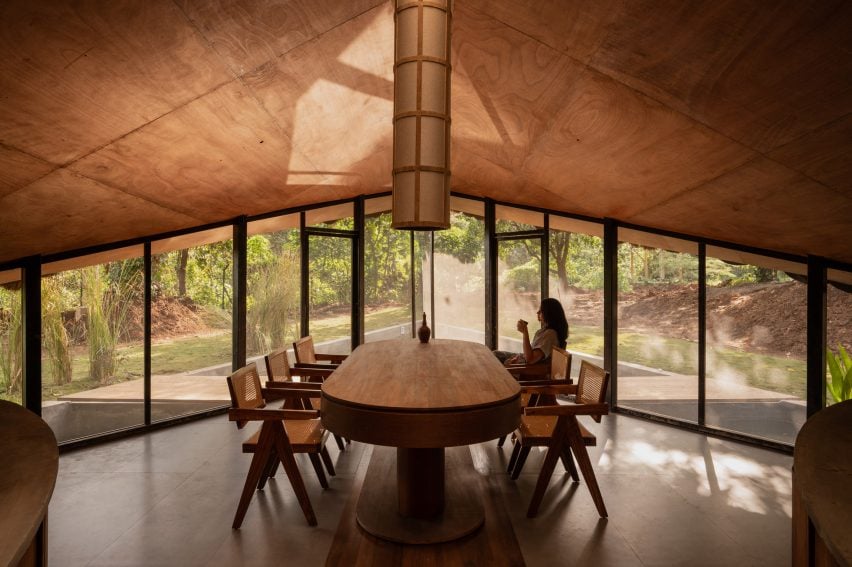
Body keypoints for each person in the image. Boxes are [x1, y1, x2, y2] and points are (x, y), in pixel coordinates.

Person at [494, 297, 569, 366]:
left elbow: (530, 359)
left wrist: (525, 333)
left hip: (527, 369)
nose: (537, 312)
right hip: (523, 360)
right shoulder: (546, 331)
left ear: (549, 313)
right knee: (496, 354)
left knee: (495, 357)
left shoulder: (550, 335)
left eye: (541, 311)